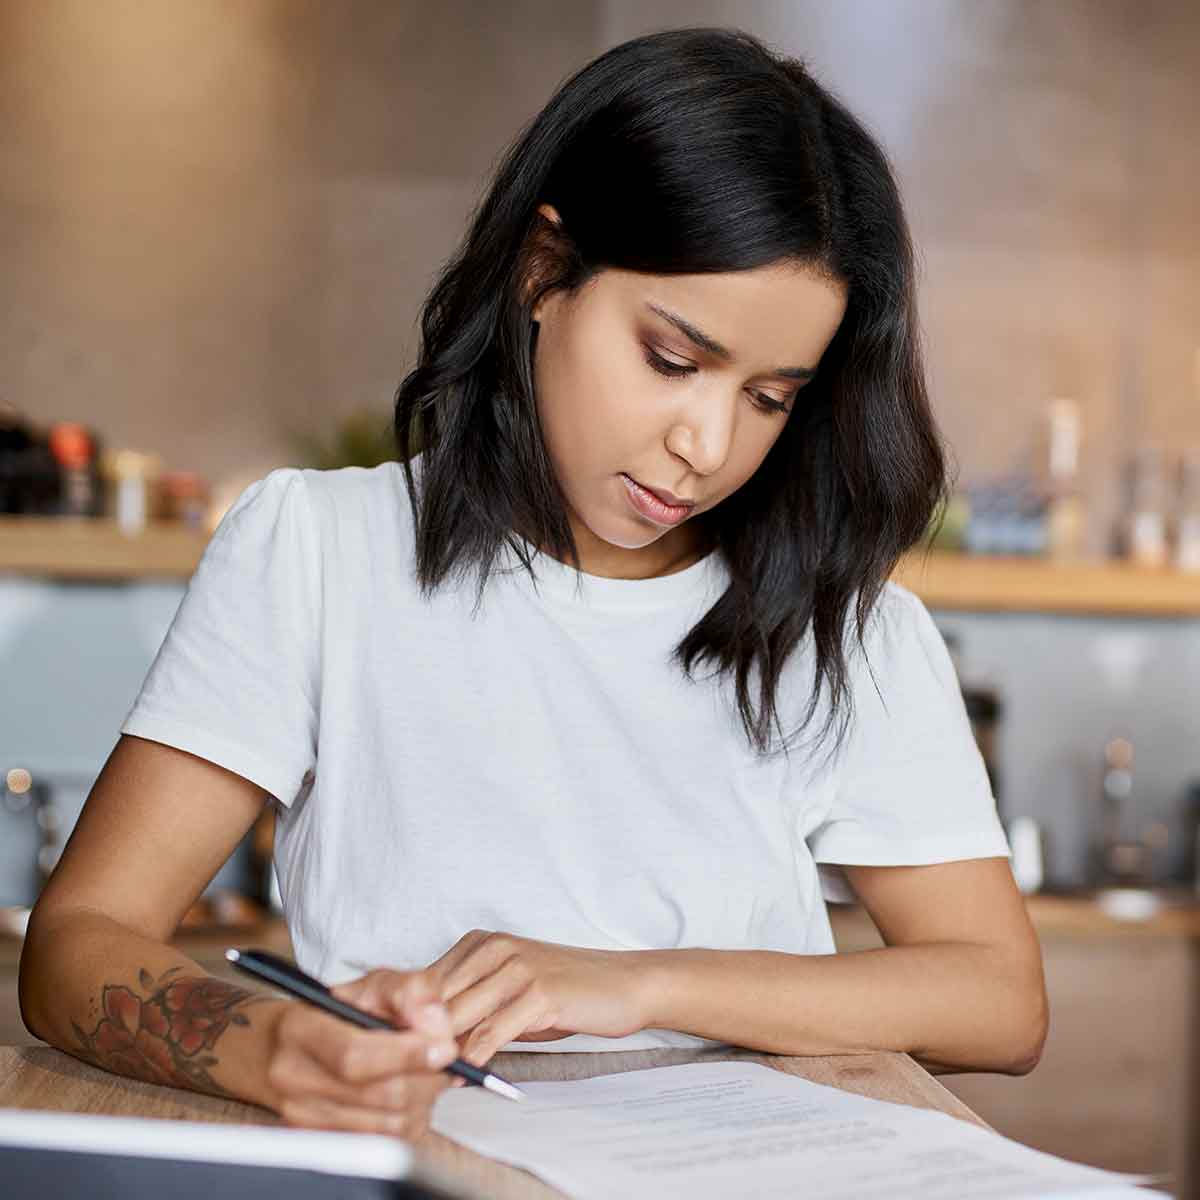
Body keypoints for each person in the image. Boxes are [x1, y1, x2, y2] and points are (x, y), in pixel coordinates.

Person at [19, 26, 1047, 1141]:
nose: (706, 443)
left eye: (770, 397)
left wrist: (633, 984)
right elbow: (80, 940)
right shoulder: (320, 550)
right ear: (544, 272)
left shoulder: (847, 628)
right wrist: (274, 1047)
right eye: (672, 359)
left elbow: (999, 1002)